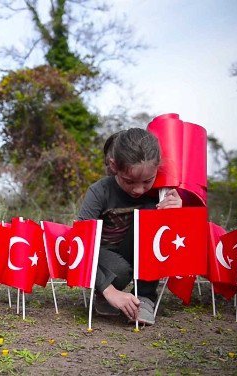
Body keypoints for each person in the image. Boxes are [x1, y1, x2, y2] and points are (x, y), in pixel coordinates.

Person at [77, 128, 182, 325]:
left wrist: (177, 210)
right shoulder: (100, 191)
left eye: (147, 181)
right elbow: (80, 245)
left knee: (153, 215)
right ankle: (103, 294)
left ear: (157, 169)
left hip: (134, 253)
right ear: (114, 165)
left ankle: (145, 297)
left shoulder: (161, 192)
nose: (138, 189)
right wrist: (110, 291)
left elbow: (172, 240)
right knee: (121, 269)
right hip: (101, 258)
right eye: (129, 181)